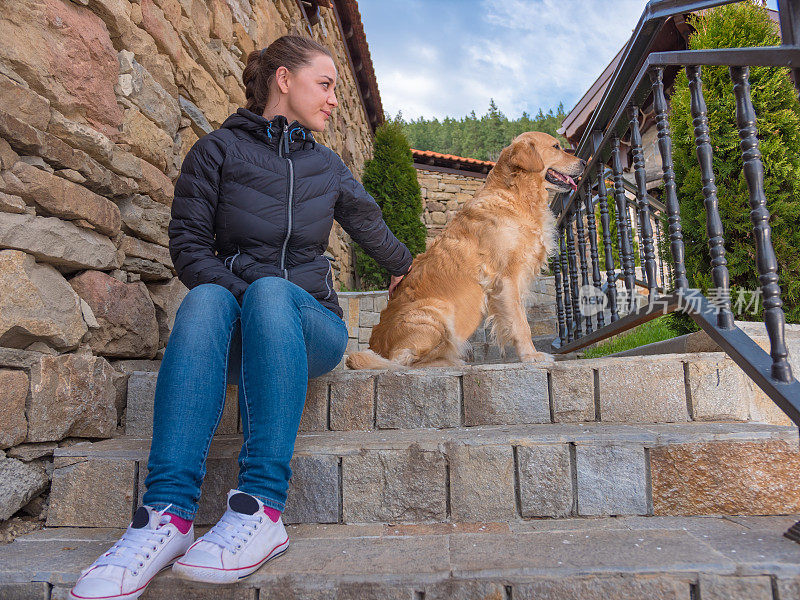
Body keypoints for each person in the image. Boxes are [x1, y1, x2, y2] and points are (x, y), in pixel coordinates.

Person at [69, 35, 413, 599]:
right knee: (206, 298)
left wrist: (419, 274)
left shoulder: (326, 166)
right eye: (324, 85)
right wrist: (245, 295)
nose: (332, 99)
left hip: (310, 328)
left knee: (274, 294)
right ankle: (166, 516)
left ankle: (261, 508)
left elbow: (378, 234)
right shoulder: (216, 152)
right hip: (233, 333)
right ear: (284, 79)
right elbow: (188, 248)